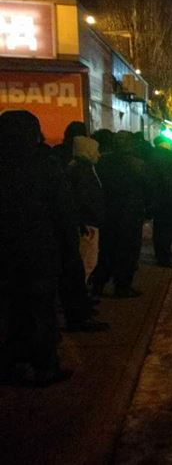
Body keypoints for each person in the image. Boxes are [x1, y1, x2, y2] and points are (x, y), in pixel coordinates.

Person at [0, 111, 74, 386]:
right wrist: (69, 250)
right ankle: (45, 366)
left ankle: (10, 363)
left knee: (10, 311)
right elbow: (63, 212)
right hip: (38, 253)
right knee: (41, 312)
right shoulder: (44, 165)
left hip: (5, 256)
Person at [89, 131, 151, 298]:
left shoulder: (101, 163)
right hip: (131, 214)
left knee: (106, 250)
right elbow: (148, 189)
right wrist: (147, 209)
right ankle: (122, 286)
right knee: (128, 252)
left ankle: (98, 286)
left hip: (108, 213)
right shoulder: (138, 165)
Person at [60, 136, 109, 332]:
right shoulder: (82, 172)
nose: (98, 154)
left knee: (87, 264)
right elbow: (84, 200)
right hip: (87, 225)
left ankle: (82, 302)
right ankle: (79, 306)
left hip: (87, 223)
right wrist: (91, 220)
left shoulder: (77, 169)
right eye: (95, 150)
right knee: (86, 264)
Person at [149, 136, 172, 267]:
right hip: (168, 199)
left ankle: (162, 255)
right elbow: (171, 180)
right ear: (164, 143)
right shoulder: (167, 157)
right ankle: (165, 257)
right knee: (166, 230)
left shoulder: (152, 155)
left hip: (157, 198)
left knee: (159, 229)